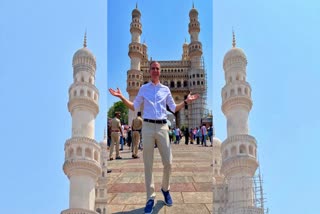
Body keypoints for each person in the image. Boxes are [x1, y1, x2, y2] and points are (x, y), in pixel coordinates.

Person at [109, 61, 199, 214]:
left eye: (157, 69)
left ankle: (165, 189)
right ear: (149, 71)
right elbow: (134, 106)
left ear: (160, 71)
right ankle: (150, 197)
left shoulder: (166, 89)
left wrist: (185, 101)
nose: (155, 71)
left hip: (163, 126)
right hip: (148, 127)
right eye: (153, 68)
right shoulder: (143, 88)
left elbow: (173, 108)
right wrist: (121, 97)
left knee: (168, 162)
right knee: (148, 164)